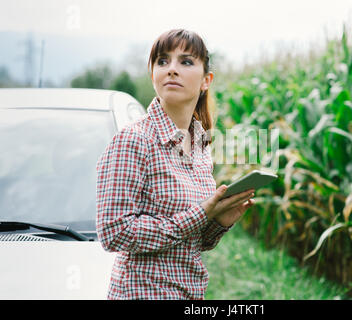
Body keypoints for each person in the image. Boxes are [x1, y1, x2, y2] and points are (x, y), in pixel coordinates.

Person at [96, 28, 255, 300]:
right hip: (142, 293)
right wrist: (201, 214)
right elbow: (114, 232)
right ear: (153, 75)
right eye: (162, 61)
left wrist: (218, 223)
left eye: (185, 61)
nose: (171, 69)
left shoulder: (200, 147)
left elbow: (189, 243)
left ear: (206, 80)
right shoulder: (134, 140)